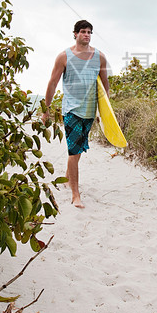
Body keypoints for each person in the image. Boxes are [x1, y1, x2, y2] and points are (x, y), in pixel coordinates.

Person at [43, 20, 109, 208]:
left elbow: (105, 85)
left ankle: (67, 177)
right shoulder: (64, 57)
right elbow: (53, 83)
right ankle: (75, 194)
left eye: (89, 32)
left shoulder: (100, 57)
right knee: (74, 151)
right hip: (71, 109)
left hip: (89, 111)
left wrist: (103, 111)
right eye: (82, 31)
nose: (86, 34)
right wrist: (46, 110)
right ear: (75, 34)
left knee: (78, 149)